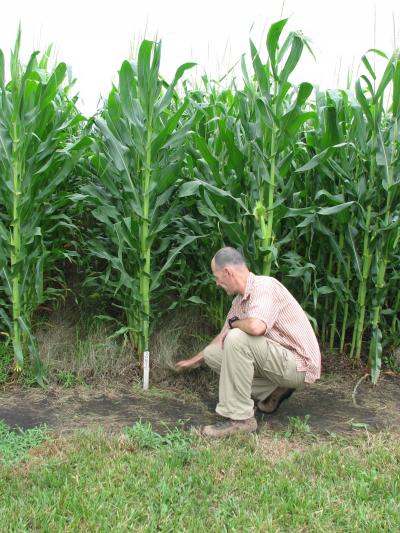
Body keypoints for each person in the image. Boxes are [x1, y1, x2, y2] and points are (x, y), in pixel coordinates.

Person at [176, 247, 321, 438]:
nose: (217, 283)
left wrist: (235, 325)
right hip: (279, 361)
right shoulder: (240, 301)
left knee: (237, 338)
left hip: (299, 364)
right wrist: (194, 360)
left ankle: (241, 419)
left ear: (228, 272)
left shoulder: (264, 287)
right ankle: (273, 390)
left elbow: (255, 327)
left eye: (216, 276)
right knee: (213, 353)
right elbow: (222, 336)